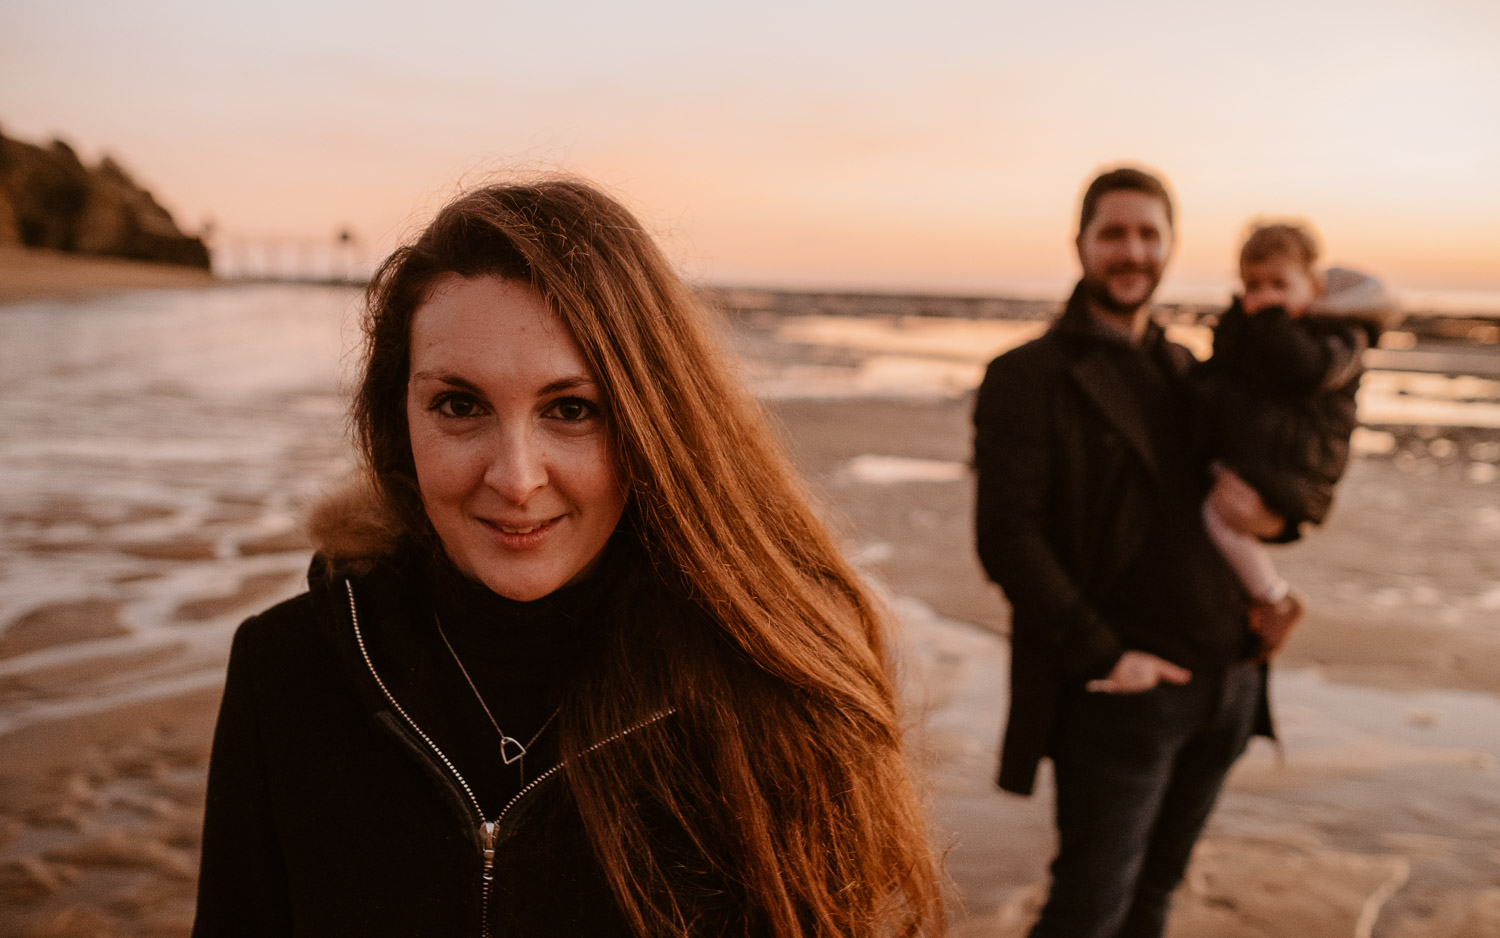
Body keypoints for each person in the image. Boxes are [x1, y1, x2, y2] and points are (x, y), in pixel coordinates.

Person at [193, 178, 946, 937]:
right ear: (398, 421)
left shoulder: (763, 692)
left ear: (653, 425)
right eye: (460, 405)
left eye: (571, 409)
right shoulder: (286, 668)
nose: (516, 479)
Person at [972, 166, 1275, 938]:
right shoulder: (1026, 377)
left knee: (1154, 901)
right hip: (1124, 700)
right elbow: (1006, 537)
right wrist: (1108, 657)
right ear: (1081, 245)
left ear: (1170, 246)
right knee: (1087, 913)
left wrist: (1276, 563)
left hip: (1228, 688)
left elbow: (1249, 494)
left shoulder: (1187, 372)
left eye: (1148, 233)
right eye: (1115, 233)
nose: (1132, 251)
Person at [1198, 222, 1399, 657]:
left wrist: (1265, 318)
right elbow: (1220, 381)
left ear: (1314, 287)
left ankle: (1273, 597)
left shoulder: (1341, 336)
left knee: (1218, 514)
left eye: (1278, 285)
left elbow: (1303, 370)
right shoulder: (1258, 330)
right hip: (1262, 459)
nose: (1264, 296)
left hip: (1299, 471)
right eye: (1253, 285)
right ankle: (1258, 599)